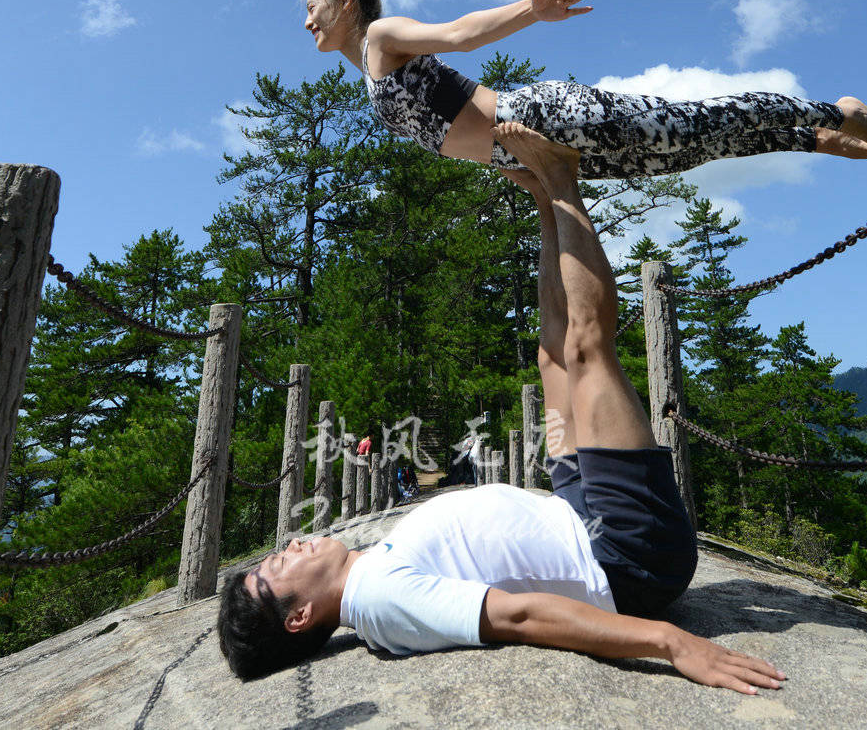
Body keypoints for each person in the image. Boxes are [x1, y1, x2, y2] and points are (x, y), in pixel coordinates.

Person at [216, 121, 787, 696]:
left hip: (578, 515)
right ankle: (561, 176)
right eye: (276, 569)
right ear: (298, 618)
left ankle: (544, 198)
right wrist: (671, 642)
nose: (289, 546)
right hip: (625, 552)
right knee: (588, 349)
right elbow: (519, 616)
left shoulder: (370, 581)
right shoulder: (383, 602)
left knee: (552, 359)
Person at [302, 0, 867, 180]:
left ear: (345, 2)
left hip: (542, 116)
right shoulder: (368, 73)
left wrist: (531, 12)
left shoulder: (382, 37)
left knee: (688, 123)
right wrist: (525, 173)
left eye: (312, 10)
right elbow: (456, 140)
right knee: (677, 156)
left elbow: (461, 34)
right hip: (533, 153)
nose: (308, 24)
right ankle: (813, 139)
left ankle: (837, 110)